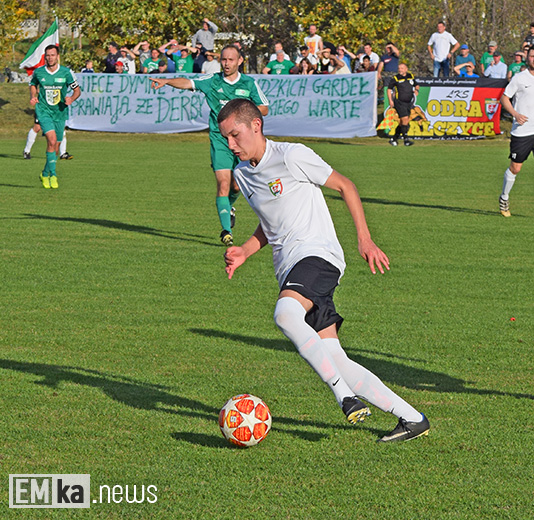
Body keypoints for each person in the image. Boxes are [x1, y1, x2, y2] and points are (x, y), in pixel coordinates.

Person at [217, 98, 430, 443]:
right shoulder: (243, 175)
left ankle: (343, 396)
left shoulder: (291, 156)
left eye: (235, 135)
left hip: (318, 256)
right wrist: (245, 250)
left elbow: (346, 185)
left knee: (286, 315)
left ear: (256, 126)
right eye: (225, 137)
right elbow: (270, 226)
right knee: (336, 358)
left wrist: (365, 239)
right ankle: (412, 418)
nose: (230, 144)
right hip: (290, 269)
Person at [150, 45, 270, 246]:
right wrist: (167, 81)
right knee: (223, 183)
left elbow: (264, 109)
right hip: (219, 139)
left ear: (240, 61)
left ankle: (229, 207)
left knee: (236, 184)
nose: (226, 63)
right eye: (223, 59)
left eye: (231, 60)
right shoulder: (212, 81)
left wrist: (243, 112)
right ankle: (227, 231)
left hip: (243, 142)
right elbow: (188, 83)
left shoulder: (249, 83)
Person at [498, 46, 534, 219]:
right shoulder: (519, 78)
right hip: (521, 132)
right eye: (532, 56)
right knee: (515, 168)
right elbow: (504, 98)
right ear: (527, 58)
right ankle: (504, 197)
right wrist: (515, 114)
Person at [29, 45, 81, 189]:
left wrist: (71, 98)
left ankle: (45, 173)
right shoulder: (39, 72)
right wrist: (33, 96)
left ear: (57, 56)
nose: (49, 58)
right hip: (44, 111)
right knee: (51, 141)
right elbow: (33, 85)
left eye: (52, 55)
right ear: (45, 56)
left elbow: (77, 90)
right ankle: (53, 175)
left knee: (56, 149)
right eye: (47, 55)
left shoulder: (66, 72)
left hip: (60, 112)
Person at [386, 62, 418, 146]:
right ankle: (406, 140)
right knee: (405, 119)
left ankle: (394, 138)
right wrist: (390, 101)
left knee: (403, 122)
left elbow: (417, 85)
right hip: (399, 102)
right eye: (399, 68)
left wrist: (416, 90)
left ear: (406, 69)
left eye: (402, 68)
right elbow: (389, 89)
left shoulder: (410, 76)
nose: (400, 70)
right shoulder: (396, 78)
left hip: (408, 102)